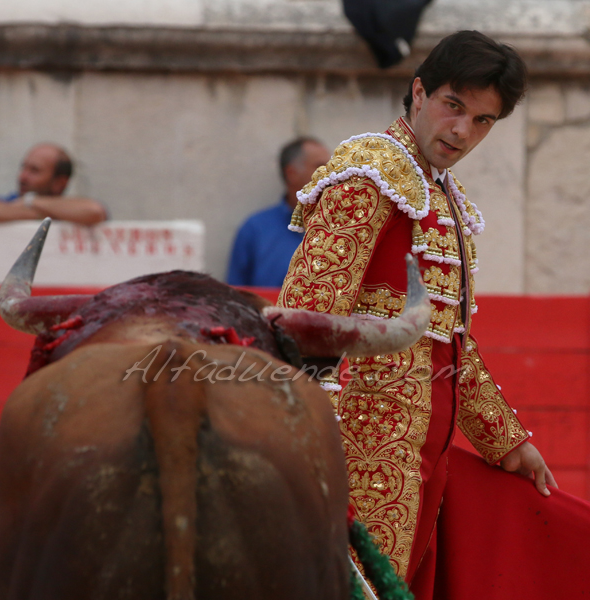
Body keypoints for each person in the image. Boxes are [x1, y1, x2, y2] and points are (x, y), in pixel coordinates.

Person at [278, 31, 579, 597]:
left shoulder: (442, 195)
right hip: (360, 447)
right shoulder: (370, 173)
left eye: (484, 120)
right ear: (418, 93)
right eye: (454, 106)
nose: (463, 131)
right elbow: (308, 314)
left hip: (422, 453)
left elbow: (450, 346)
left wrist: (507, 442)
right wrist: (310, 442)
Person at [227, 137, 330, 287]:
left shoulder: (345, 226)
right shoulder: (256, 229)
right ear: (292, 173)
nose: (331, 175)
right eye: (320, 167)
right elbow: (235, 297)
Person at [0, 143, 107, 226]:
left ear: (59, 183)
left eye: (34, 170)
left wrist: (29, 201)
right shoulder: (10, 202)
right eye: (23, 167)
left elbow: (94, 211)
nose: (22, 177)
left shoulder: (69, 208)